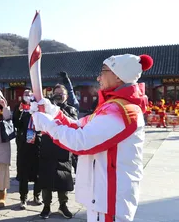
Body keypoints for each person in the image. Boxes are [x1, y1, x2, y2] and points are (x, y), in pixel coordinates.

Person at [30, 54, 154, 222]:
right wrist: (52, 111)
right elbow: (78, 125)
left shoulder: (124, 110)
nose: (98, 77)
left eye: (102, 71)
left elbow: (82, 142)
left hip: (111, 200)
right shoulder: (111, 107)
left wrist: (47, 125)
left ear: (118, 75)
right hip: (101, 197)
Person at [38, 84, 77, 219]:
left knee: (63, 179)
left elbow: (73, 123)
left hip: (63, 149)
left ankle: (63, 205)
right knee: (46, 179)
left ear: (67, 96)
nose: (59, 95)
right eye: (57, 93)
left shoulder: (70, 109)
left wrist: (57, 109)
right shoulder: (47, 109)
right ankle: (46, 205)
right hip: (48, 147)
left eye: (62, 93)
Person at [13, 89, 42, 210]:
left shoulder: (38, 108)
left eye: (30, 94)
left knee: (38, 173)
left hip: (37, 144)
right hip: (24, 145)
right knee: (23, 173)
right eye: (25, 94)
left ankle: (37, 195)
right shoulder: (20, 109)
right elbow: (16, 123)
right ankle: (23, 198)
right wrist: (19, 111)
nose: (28, 96)